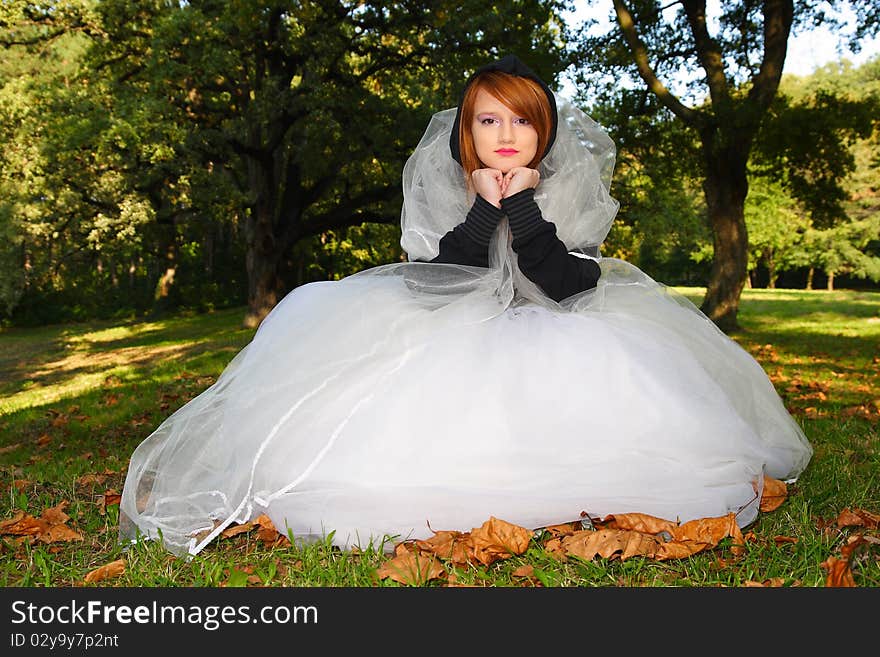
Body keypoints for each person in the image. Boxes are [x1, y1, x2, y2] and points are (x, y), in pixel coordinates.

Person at [119, 55, 812, 558]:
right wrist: (486, 204)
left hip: (554, 324)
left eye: (521, 119)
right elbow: (437, 280)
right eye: (488, 119)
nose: (505, 133)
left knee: (615, 392)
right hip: (456, 327)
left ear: (543, 130)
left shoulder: (564, 190)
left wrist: (524, 205)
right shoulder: (446, 186)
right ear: (469, 130)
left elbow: (568, 285)